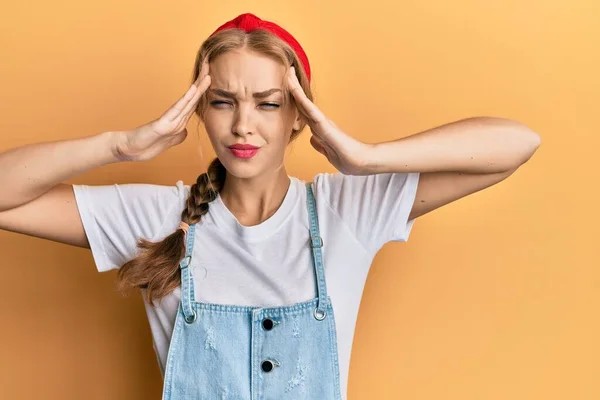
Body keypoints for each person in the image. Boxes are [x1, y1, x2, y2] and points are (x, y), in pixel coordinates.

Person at [0, 12, 541, 400]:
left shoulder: (346, 211)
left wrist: (367, 157)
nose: (243, 125)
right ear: (200, 111)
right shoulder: (156, 218)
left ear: (299, 116)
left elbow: (516, 143)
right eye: (222, 101)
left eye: (268, 103)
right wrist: (120, 146)